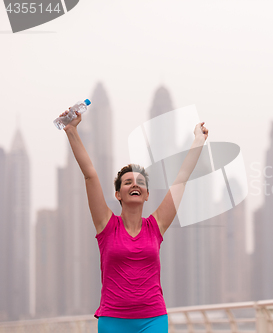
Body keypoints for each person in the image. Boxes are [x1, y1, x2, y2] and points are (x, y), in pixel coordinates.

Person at [60, 107, 209, 333]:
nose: (135, 184)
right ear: (118, 194)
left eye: (140, 182)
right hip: (113, 320)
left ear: (147, 194)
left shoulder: (156, 225)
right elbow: (90, 174)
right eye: (127, 182)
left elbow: (181, 179)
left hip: (153, 318)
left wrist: (198, 140)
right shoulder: (106, 225)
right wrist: (71, 130)